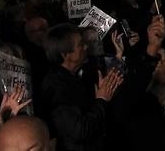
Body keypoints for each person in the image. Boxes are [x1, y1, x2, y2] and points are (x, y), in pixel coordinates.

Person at [40, 23, 123, 151]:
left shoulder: (78, 74)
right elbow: (79, 130)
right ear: (65, 55)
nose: (86, 46)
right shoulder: (56, 87)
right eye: (80, 45)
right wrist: (101, 100)